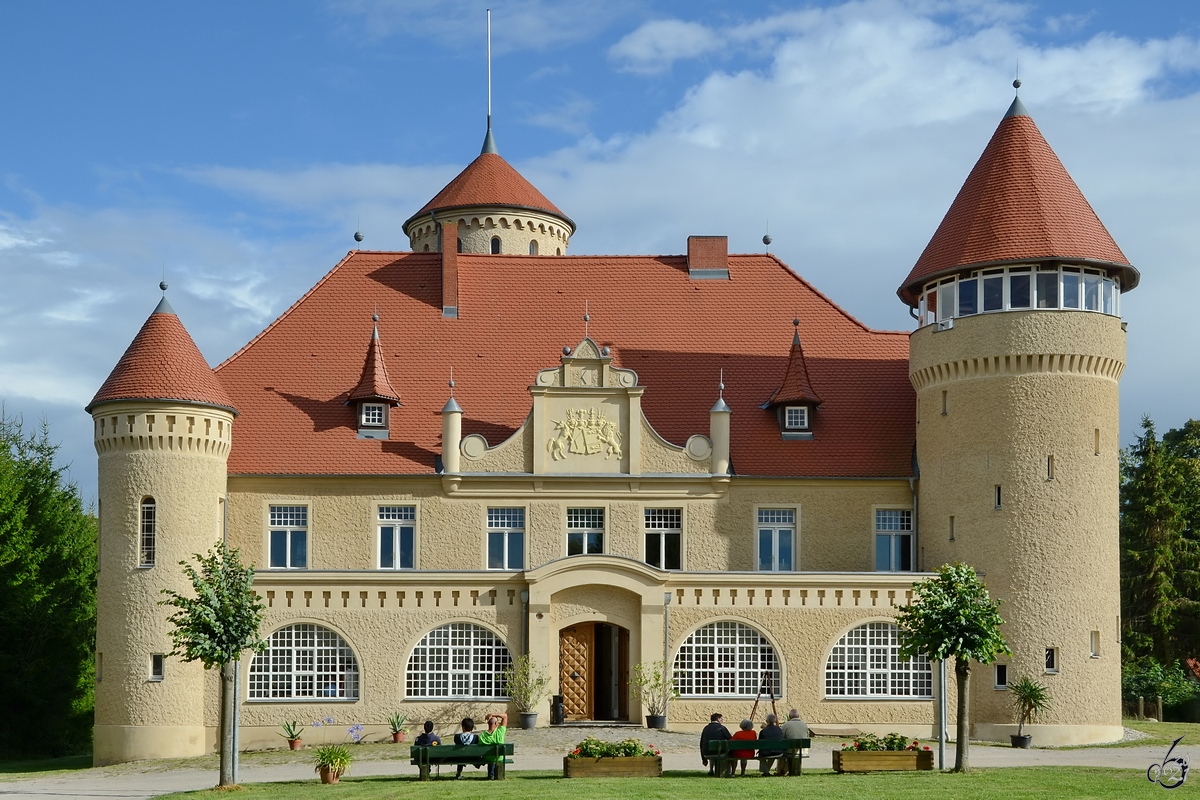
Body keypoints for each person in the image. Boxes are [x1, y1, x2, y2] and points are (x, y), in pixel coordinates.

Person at [777, 709, 809, 776]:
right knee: (790, 752)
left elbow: (781, 737)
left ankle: (780, 771)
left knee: (781, 753)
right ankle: (788, 770)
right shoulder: (804, 725)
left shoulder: (786, 725)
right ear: (798, 716)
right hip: (803, 750)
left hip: (790, 750)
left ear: (789, 716)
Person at [477, 712, 508, 780]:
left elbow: (479, 748)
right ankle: (497, 775)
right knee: (496, 757)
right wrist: (493, 714)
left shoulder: (483, 735)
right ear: (496, 723)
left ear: (488, 724)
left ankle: (491, 775)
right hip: (499, 757)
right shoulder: (500, 732)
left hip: (488, 758)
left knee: (490, 758)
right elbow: (505, 716)